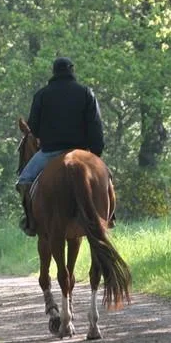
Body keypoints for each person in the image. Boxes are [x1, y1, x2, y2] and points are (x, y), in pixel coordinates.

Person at [16, 57, 105, 236]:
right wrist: (95, 155)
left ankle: (30, 222)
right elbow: (95, 126)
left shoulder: (42, 94)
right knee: (106, 177)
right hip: (81, 151)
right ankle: (109, 216)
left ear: (54, 72)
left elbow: (33, 127)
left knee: (24, 180)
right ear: (72, 70)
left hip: (50, 152)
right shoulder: (86, 92)